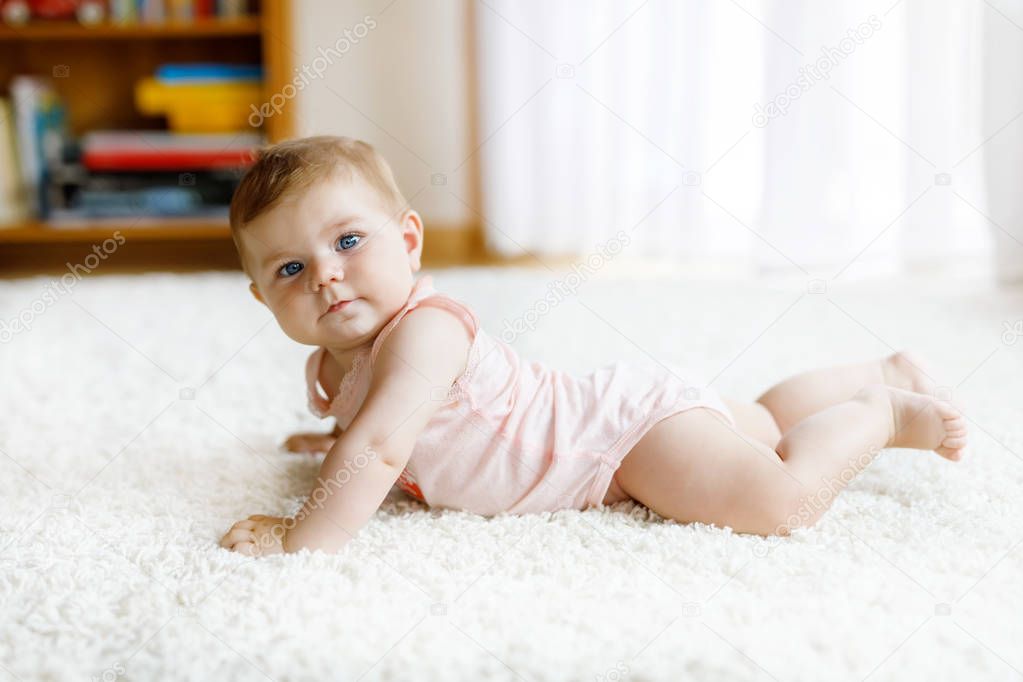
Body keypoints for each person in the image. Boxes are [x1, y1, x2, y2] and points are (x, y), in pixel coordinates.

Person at [219, 136, 968, 556]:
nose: (326, 276)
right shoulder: (333, 360)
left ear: (408, 241)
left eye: (348, 240)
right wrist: (333, 437)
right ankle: (881, 368)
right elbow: (377, 428)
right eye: (289, 268)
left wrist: (301, 534)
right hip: (614, 419)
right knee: (767, 428)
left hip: (620, 442)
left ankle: (881, 413)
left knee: (781, 501)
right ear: (262, 296)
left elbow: (383, 446)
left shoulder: (427, 330)